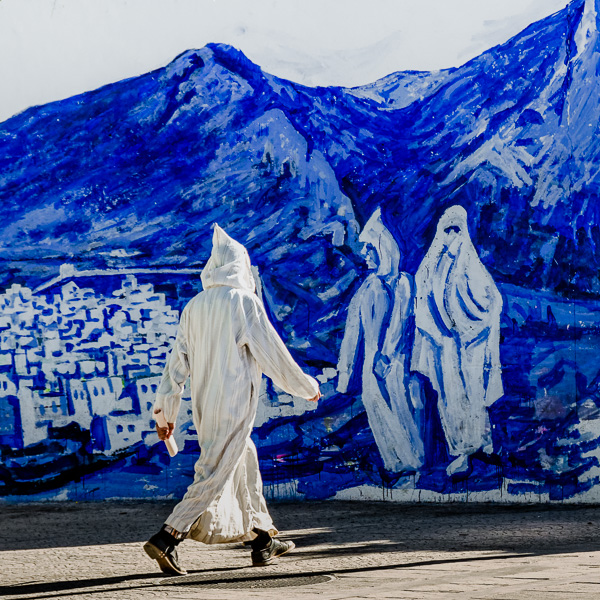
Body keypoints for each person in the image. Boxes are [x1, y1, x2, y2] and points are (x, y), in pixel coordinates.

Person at [144, 224, 321, 575]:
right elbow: (273, 353)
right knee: (214, 472)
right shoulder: (242, 302)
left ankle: (262, 539)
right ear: (241, 267)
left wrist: (166, 414)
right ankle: (168, 536)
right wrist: (305, 387)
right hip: (235, 401)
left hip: (205, 405)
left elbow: (175, 364)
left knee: (244, 458)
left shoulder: (194, 306)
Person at [411, 205, 503, 476]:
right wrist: (439, 329)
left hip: (471, 347)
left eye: (457, 229)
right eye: (447, 229)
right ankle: (461, 449)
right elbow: (422, 300)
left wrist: (469, 326)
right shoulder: (431, 265)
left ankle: (481, 445)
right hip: (444, 347)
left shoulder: (471, 264)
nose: (452, 234)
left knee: (474, 395)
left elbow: (492, 300)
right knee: (449, 397)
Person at [337, 208, 423, 473]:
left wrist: (386, 355)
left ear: (383, 249)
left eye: (370, 249)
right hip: (371, 364)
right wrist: (345, 371)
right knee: (376, 407)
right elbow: (353, 330)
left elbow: (401, 320)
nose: (365, 255)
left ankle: (413, 462)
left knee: (402, 407)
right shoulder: (368, 286)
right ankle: (395, 463)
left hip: (397, 361)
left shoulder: (403, 283)